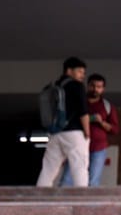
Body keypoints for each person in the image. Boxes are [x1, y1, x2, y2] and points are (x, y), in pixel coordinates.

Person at [37, 57, 91, 188]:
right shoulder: (77, 86)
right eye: (79, 71)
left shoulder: (54, 86)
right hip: (74, 133)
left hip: (55, 132)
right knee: (79, 166)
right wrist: (87, 132)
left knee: (48, 168)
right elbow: (83, 111)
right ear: (69, 71)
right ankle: (83, 196)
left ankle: (39, 195)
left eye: (83, 72)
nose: (82, 75)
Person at [85, 73, 118, 186]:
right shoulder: (80, 103)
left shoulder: (107, 106)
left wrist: (101, 122)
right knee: (74, 179)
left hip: (99, 148)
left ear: (103, 89)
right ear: (87, 86)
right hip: (79, 146)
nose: (95, 89)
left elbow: (115, 129)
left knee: (93, 181)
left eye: (99, 87)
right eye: (92, 86)